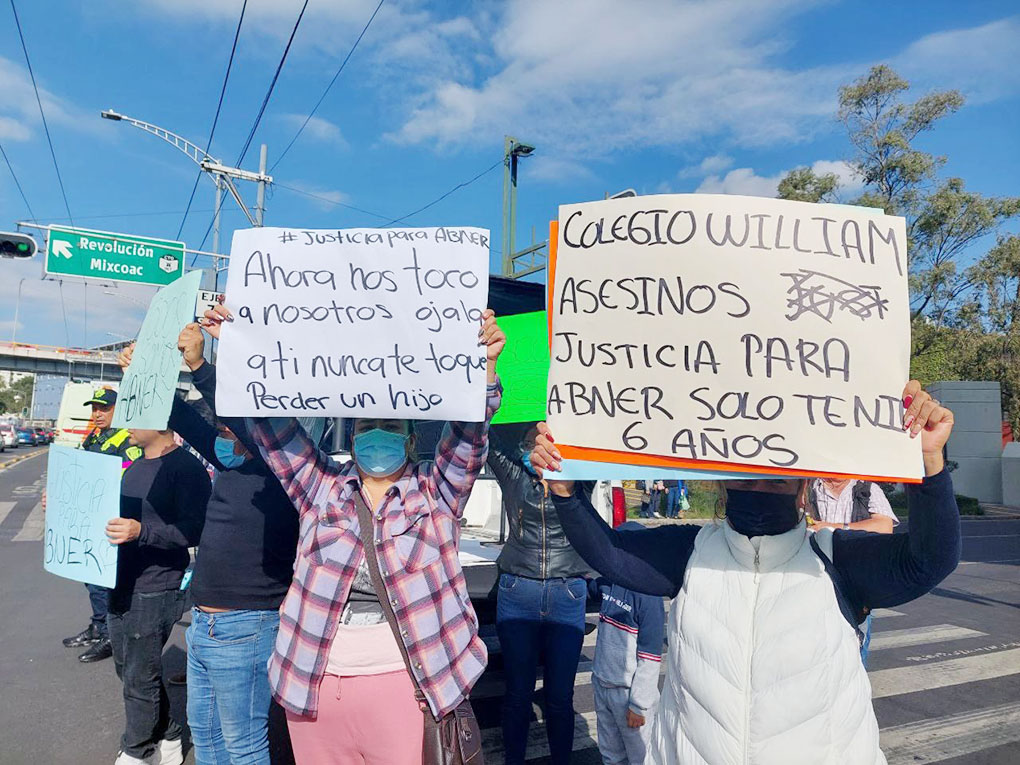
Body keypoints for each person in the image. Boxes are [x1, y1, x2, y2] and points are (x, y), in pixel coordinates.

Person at [530, 382, 960, 764]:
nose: (760, 491)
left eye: (776, 482)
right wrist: (567, 494)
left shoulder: (836, 559)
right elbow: (610, 553)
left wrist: (929, 463)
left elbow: (929, 561)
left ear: (802, 488)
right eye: (746, 480)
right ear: (723, 483)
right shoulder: (691, 552)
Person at [200, 303, 505, 763]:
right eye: (366, 427)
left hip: (409, 693)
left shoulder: (436, 493)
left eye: (390, 428)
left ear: (410, 441)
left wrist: (483, 370)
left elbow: (468, 436)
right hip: (314, 692)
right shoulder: (320, 488)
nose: (377, 435)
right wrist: (240, 349)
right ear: (353, 436)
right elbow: (273, 429)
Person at [118, 332, 300, 765]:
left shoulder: (280, 472)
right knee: (207, 737)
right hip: (204, 624)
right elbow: (181, 417)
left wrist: (200, 367)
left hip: (246, 626)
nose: (221, 433)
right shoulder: (229, 464)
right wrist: (144, 373)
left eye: (229, 427)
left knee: (243, 744)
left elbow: (241, 417)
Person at [486, 425, 594, 764]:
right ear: (523, 446)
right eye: (533, 440)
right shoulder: (512, 474)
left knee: (560, 697)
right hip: (518, 591)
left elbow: (602, 437)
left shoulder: (580, 478)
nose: (541, 446)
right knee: (518, 694)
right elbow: (487, 437)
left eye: (549, 439)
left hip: (567, 593)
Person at [106, 426, 212, 765]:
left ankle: (136, 750)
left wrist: (143, 531)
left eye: (135, 416)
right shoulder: (134, 466)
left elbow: (196, 529)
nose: (126, 425)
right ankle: (170, 733)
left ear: (158, 421)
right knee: (128, 668)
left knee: (139, 676)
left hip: (156, 585)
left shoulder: (186, 468)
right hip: (119, 580)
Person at [62, 388, 143, 664]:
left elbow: (128, 477)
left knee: (103, 579)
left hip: (113, 519)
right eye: (94, 408)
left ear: (118, 410)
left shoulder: (125, 439)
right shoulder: (95, 436)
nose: (97, 414)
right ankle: (98, 625)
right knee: (90, 576)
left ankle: (110, 634)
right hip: (91, 518)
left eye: (104, 408)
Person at [590, 523, 665, 765]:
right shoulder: (608, 582)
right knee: (611, 755)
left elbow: (650, 657)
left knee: (641, 757)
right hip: (603, 685)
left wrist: (639, 705)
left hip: (630, 696)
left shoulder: (649, 595)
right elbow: (589, 586)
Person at [806, 477, 900, 666]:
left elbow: (884, 527)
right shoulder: (808, 487)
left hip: (855, 585)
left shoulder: (867, 489)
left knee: (854, 647)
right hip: (813, 580)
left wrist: (832, 527)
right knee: (813, 648)